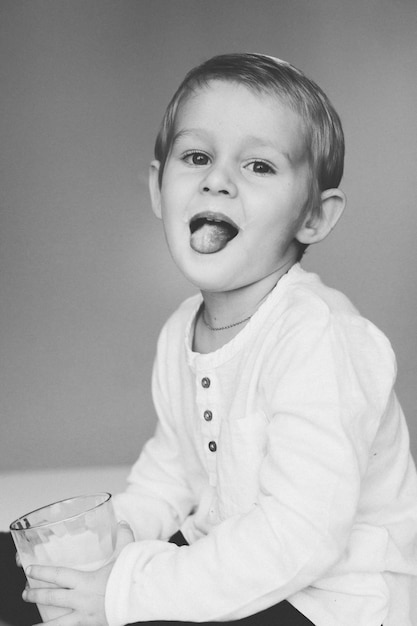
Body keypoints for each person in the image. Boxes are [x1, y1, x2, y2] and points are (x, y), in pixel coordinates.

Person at [21, 53, 417, 626]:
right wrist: (119, 535)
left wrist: (130, 588)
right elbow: (171, 475)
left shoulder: (319, 338)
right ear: (160, 189)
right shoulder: (181, 329)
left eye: (259, 166)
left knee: (130, 609)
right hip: (229, 559)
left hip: (332, 597)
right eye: (197, 156)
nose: (217, 180)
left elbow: (301, 538)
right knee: (31, 585)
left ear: (314, 218)